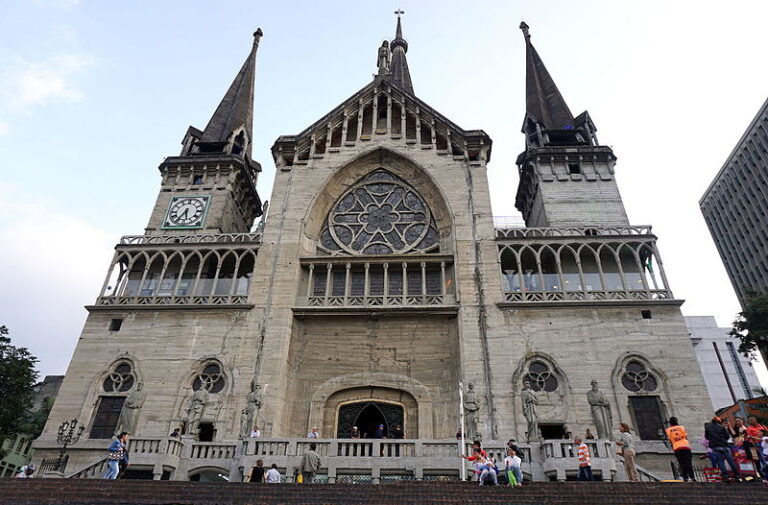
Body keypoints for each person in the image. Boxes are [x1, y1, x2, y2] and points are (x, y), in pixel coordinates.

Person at [705, 416, 740, 481]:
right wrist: (723, 440)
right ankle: (737, 475)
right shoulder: (722, 427)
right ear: (718, 421)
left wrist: (713, 439)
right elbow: (727, 436)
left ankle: (725, 476)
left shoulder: (708, 427)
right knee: (730, 460)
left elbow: (706, 437)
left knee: (720, 461)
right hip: (724, 445)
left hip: (715, 446)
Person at [665, 417, 695, 482]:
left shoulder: (668, 430)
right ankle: (692, 477)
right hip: (685, 446)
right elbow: (685, 436)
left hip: (676, 447)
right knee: (688, 463)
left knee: (681, 463)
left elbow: (669, 438)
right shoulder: (681, 427)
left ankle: (685, 477)